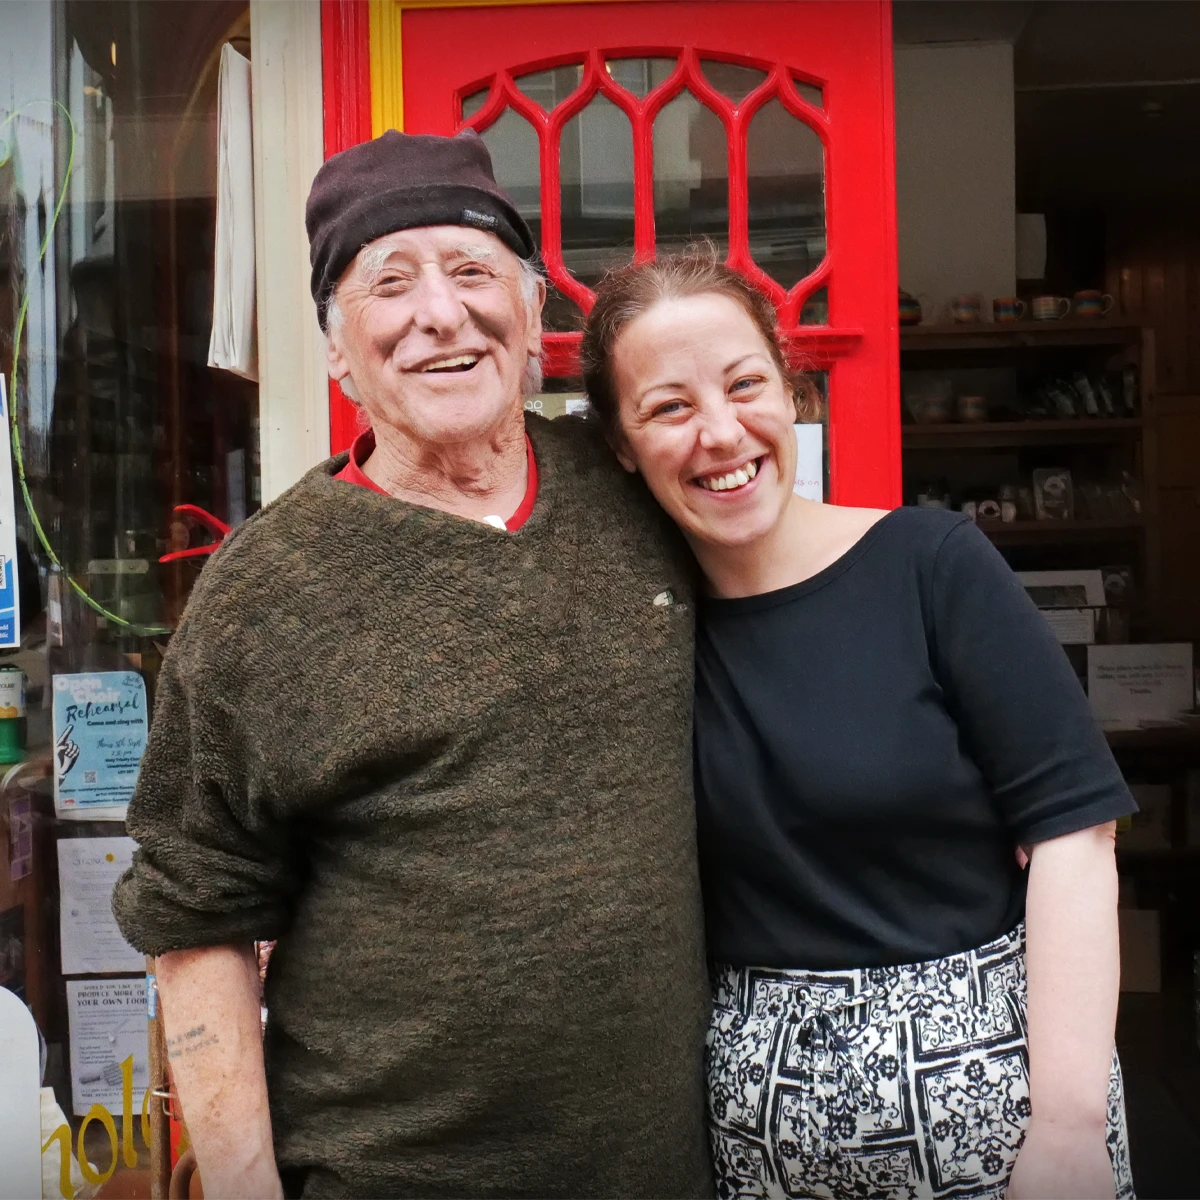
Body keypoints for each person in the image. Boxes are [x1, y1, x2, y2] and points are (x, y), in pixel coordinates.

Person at [113, 132, 713, 1199]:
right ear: (338, 350)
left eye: (475, 271)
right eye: (390, 282)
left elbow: (806, 604)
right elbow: (194, 919)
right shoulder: (263, 596)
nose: (442, 312)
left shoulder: (638, 494)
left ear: (532, 319)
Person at [580, 249, 1136, 1200]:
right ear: (622, 445)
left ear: (791, 388)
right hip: (759, 1139)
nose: (721, 433)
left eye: (745, 384)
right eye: (669, 407)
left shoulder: (930, 566)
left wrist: (1071, 1128)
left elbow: (1074, 836)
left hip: (1000, 1115)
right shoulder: (639, 636)